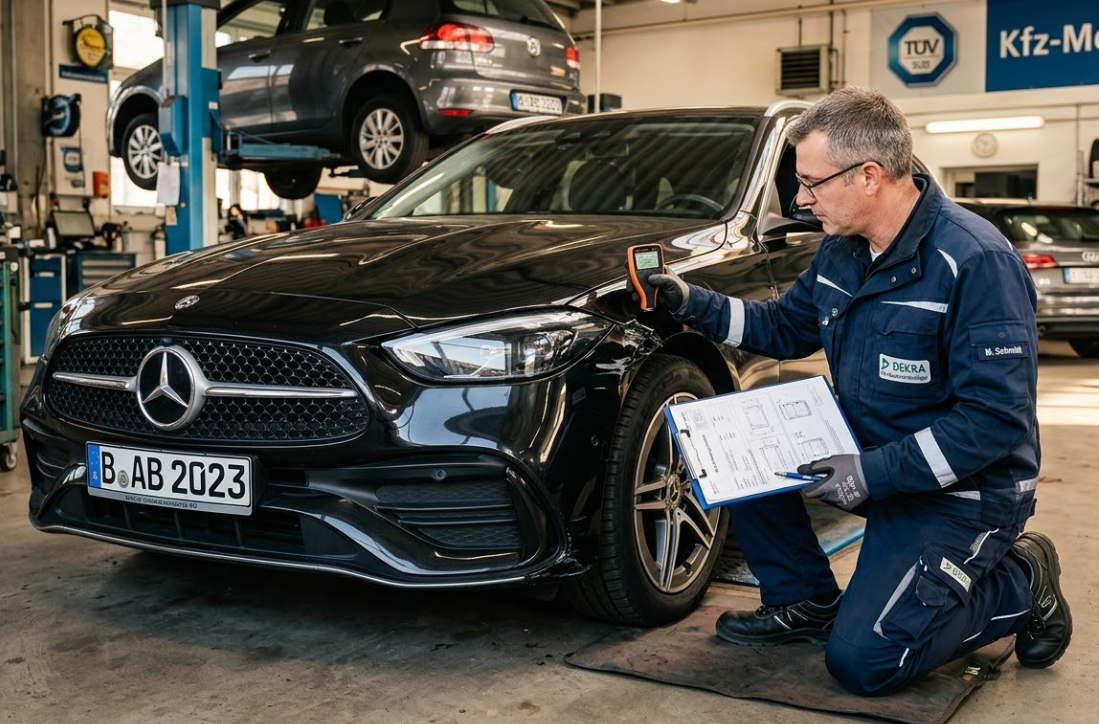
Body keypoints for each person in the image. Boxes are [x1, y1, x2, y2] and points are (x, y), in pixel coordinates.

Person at [647, 86, 1071, 696]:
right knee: (734, 437)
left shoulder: (974, 261)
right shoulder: (842, 251)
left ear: (869, 175)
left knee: (867, 663)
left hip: (963, 492)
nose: (800, 199)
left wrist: (871, 473)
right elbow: (783, 328)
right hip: (868, 459)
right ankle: (805, 601)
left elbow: (993, 422)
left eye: (812, 183)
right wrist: (692, 303)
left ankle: (1020, 584)